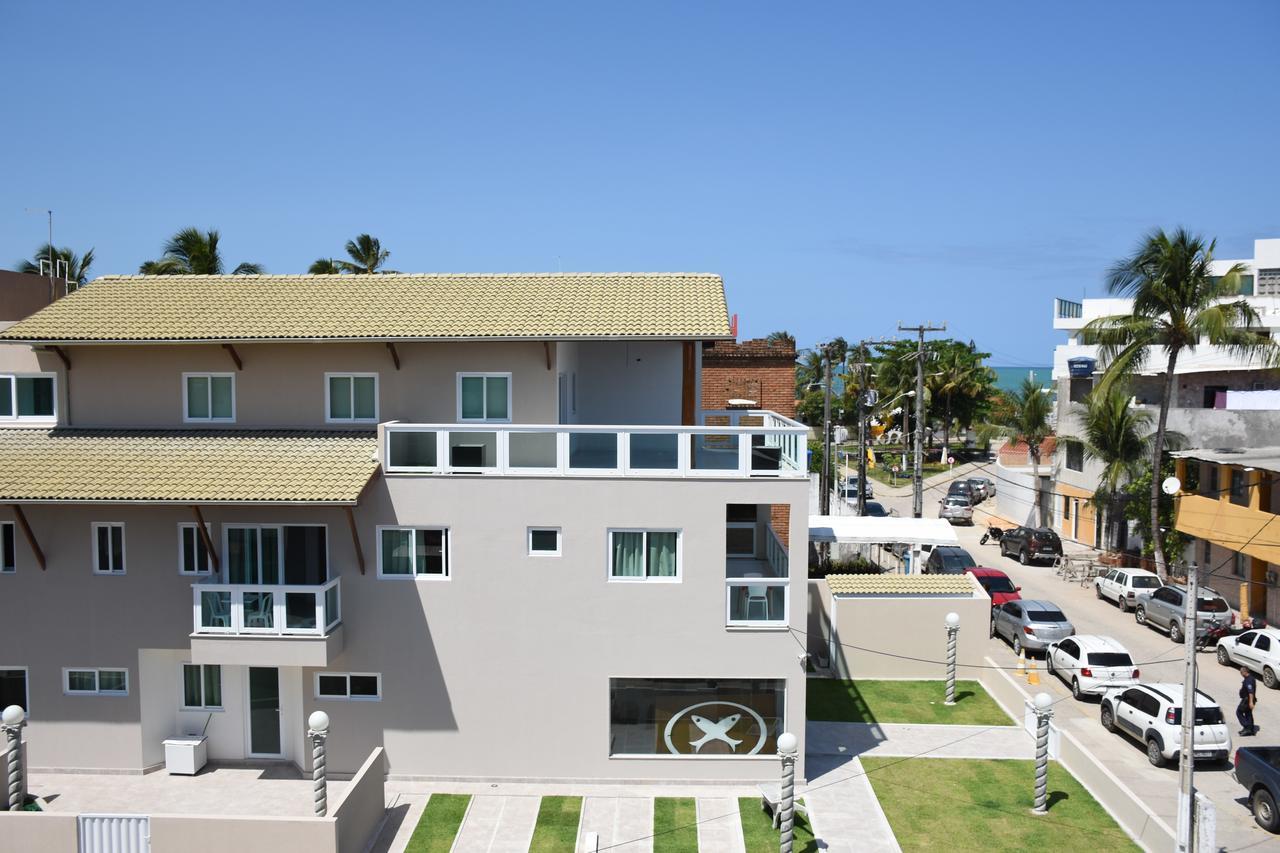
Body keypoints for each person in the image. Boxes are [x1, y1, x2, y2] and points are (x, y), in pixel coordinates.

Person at [1238, 666, 1259, 737]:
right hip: (1248, 700)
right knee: (1248, 714)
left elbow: (1250, 692)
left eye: (1241, 672)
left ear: (1244, 672)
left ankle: (1247, 727)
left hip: (1247, 700)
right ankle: (1250, 729)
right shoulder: (1250, 678)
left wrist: (1250, 702)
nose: (1240, 674)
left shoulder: (1248, 680)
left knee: (1239, 712)